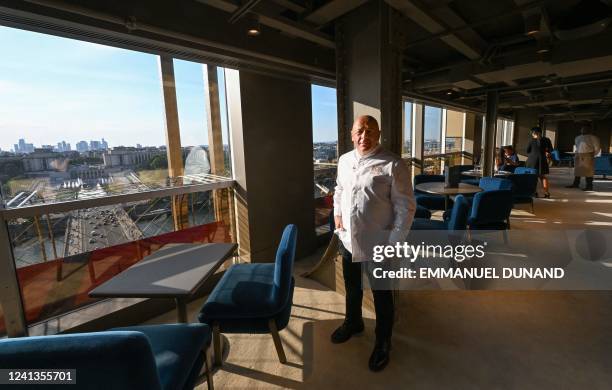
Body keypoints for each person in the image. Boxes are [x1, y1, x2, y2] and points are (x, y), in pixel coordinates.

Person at [332, 115, 416, 372]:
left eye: (370, 131)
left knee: (381, 296)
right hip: (349, 239)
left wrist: (393, 242)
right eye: (359, 131)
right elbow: (339, 189)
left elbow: (406, 207)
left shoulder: (393, 164)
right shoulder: (344, 160)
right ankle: (353, 322)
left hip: (380, 242)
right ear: (351, 133)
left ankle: (383, 342)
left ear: (378, 134)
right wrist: (337, 216)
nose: (364, 136)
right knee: (352, 286)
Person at [566, 124, 601, 191]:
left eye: (585, 129)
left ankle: (589, 186)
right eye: (582, 129)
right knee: (577, 171)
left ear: (589, 130)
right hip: (578, 154)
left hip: (588, 155)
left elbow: (597, 148)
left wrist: (593, 155)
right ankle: (576, 184)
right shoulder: (577, 137)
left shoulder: (594, 137)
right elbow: (577, 146)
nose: (583, 130)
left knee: (588, 171)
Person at [526, 127, 553, 198]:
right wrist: (546, 152)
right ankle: (546, 193)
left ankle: (535, 193)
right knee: (543, 177)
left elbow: (527, 151)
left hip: (532, 160)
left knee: (533, 177)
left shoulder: (531, 141)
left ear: (534, 133)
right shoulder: (547, 140)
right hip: (542, 160)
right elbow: (550, 150)